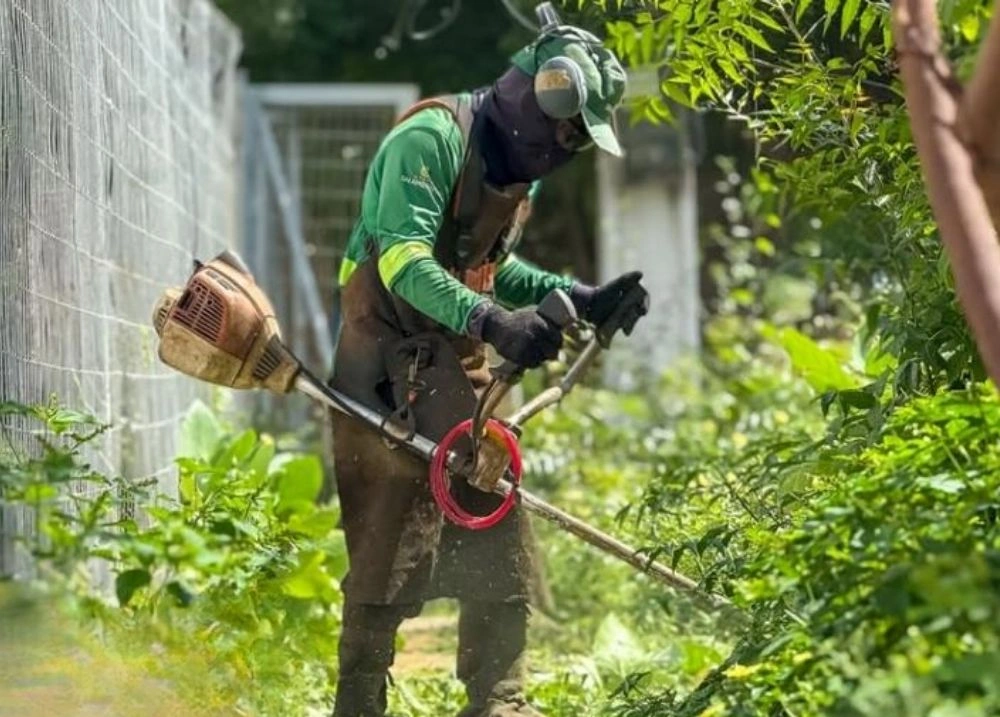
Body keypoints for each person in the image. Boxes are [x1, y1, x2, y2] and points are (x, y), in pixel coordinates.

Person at [327, 17, 649, 717]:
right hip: (381, 358)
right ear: (537, 96)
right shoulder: (429, 140)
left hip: (459, 359)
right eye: (567, 132)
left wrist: (580, 298)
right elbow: (403, 260)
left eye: (578, 142)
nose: (564, 150)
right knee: (384, 536)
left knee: (496, 509)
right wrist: (494, 322)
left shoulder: (515, 180)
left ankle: (499, 699)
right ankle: (359, 698)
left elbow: (490, 268)